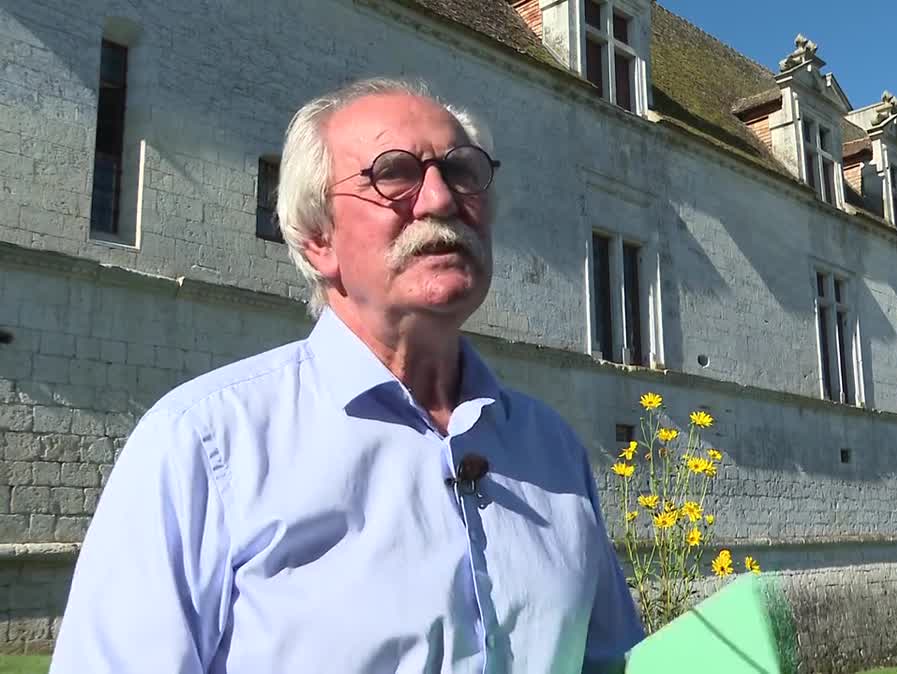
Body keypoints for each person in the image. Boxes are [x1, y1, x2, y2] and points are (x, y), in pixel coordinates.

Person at [50, 77, 643, 673]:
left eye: (461, 170)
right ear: (317, 240)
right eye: (394, 173)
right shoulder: (206, 443)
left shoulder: (553, 450)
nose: (440, 199)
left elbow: (611, 664)